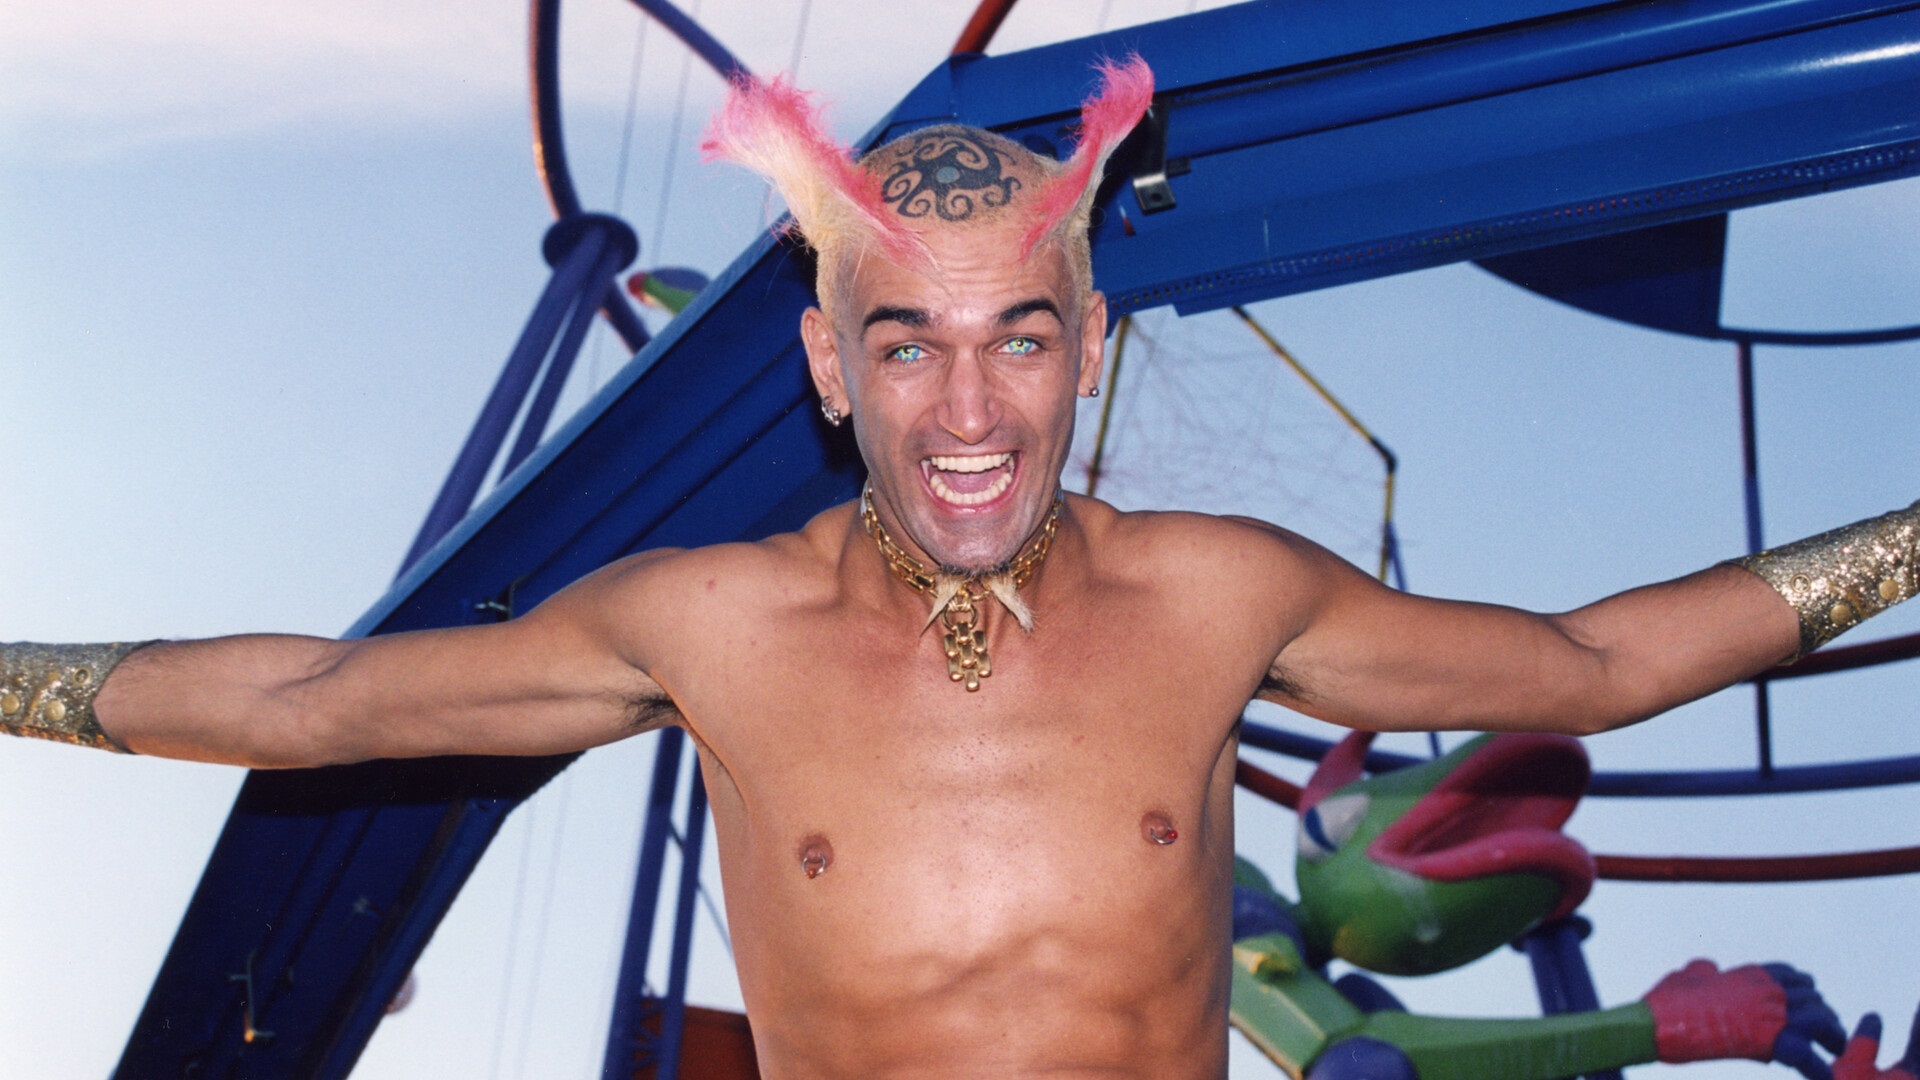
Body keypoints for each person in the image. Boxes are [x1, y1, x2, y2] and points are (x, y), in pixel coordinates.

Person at [5, 58, 1916, 1080]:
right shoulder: (706, 626)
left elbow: (1589, 663)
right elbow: (317, 700)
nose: (972, 407)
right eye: (908, 343)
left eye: (1022, 335)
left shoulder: (1217, 597)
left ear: (1088, 347)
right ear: (831, 367)